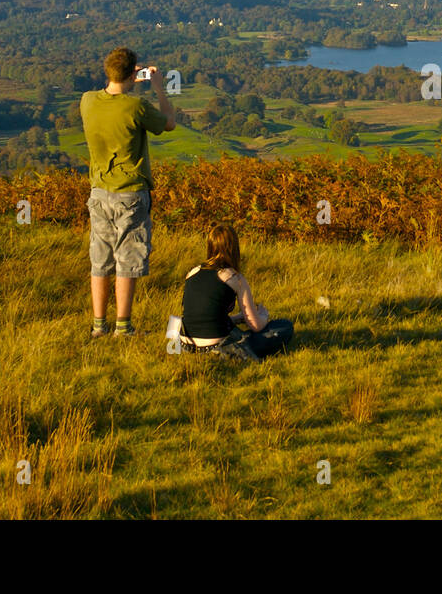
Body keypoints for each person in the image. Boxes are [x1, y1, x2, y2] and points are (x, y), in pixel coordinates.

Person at [80, 46, 176, 338]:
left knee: (101, 258)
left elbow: (111, 95)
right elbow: (169, 123)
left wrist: (129, 80)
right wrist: (159, 89)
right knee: (128, 258)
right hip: (131, 193)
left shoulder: (87, 101)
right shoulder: (136, 107)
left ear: (108, 71)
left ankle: (99, 326)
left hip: (99, 191)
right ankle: (123, 326)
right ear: (135, 73)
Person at [179, 224, 294, 361]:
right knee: (283, 326)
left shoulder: (193, 272)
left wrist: (237, 318)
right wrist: (263, 316)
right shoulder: (234, 278)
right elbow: (256, 326)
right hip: (217, 346)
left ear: (210, 246)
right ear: (234, 248)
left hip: (185, 345)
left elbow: (202, 315)